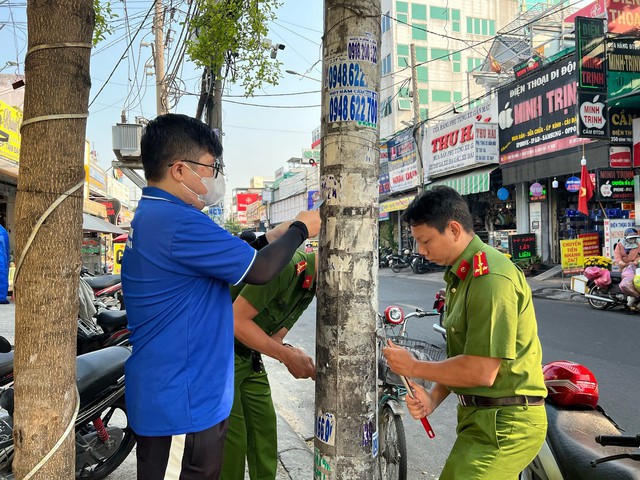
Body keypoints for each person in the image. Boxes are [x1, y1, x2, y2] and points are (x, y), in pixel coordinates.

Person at [121, 113, 320, 480]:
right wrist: (300, 228)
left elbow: (227, 252)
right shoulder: (179, 221)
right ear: (180, 169)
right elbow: (259, 271)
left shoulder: (154, 213)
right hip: (187, 395)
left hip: (172, 388)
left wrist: (267, 238)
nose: (214, 179)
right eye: (210, 168)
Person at [383, 186, 547, 479]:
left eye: (426, 241)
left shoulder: (490, 277)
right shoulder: (461, 275)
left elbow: (480, 370)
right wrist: (433, 398)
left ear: (454, 229)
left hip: (506, 423)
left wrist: (415, 367)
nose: (421, 251)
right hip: (480, 419)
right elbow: (462, 355)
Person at [221, 250, 317, 479]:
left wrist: (294, 354)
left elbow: (275, 338)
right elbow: (236, 321)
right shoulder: (287, 267)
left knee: (264, 428)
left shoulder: (309, 287)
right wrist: (286, 357)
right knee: (233, 440)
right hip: (219, 351)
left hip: (249, 355)